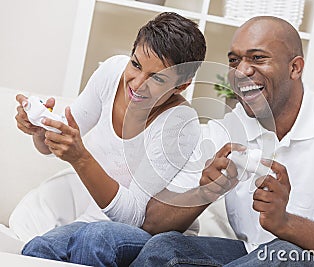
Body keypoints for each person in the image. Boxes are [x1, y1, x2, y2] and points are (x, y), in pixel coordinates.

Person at [129, 16, 314, 266]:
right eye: (234, 61)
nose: (241, 71)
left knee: (280, 253)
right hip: (248, 255)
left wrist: (285, 223)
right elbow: (153, 224)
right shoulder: (226, 130)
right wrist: (205, 192)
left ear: (295, 67)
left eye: (257, 58)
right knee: (165, 248)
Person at [15, 12, 206, 266]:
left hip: (149, 236)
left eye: (157, 78)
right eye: (136, 64)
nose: (137, 84)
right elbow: (55, 142)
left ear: (181, 86)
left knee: (91, 240)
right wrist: (42, 129)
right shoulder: (111, 72)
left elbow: (136, 217)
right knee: (39, 248)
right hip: (94, 223)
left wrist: (81, 158)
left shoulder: (179, 124)